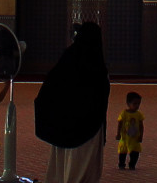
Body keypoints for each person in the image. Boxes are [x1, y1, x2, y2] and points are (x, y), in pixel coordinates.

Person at [35, 20, 110, 183]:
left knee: (61, 169)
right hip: (88, 129)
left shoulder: (68, 58)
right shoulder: (96, 65)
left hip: (63, 128)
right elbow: (101, 99)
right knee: (81, 170)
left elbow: (50, 90)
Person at [115, 91, 145, 170]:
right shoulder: (124, 113)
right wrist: (118, 134)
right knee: (122, 152)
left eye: (138, 104)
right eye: (134, 104)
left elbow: (141, 126)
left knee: (135, 152)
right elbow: (120, 123)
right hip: (125, 138)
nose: (137, 106)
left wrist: (141, 136)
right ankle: (121, 164)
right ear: (128, 104)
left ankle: (132, 164)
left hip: (134, 138)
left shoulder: (139, 114)